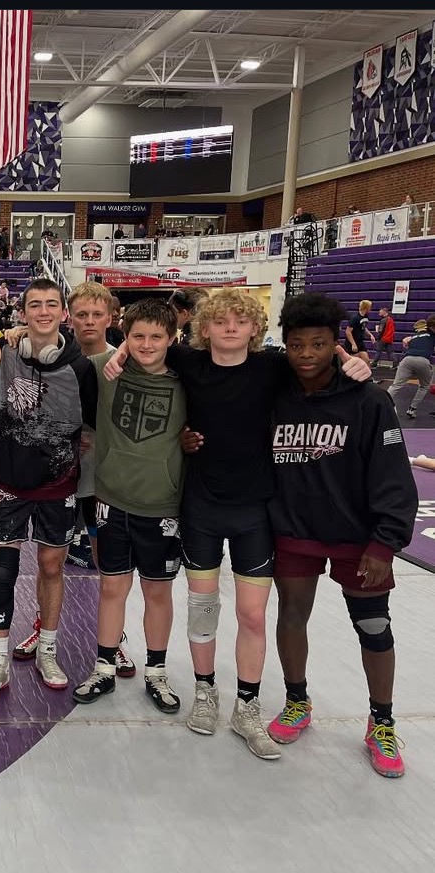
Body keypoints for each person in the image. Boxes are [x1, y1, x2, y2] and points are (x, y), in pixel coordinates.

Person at [146, 290, 372, 758]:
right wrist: (119, 352)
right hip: (202, 508)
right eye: (220, 320)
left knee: (251, 615)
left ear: (254, 329)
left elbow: (320, 362)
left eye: (240, 321)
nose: (230, 327)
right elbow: (141, 343)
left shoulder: (273, 367)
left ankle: (247, 706)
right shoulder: (189, 362)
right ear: (204, 328)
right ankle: (205, 691)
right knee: (203, 609)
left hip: (255, 511)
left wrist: (353, 362)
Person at [266, 293, 417, 778]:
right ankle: (297, 700)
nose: (306, 354)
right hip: (295, 529)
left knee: (373, 626)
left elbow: (394, 476)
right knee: (292, 615)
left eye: (318, 343)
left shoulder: (368, 399)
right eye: (296, 345)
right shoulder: (274, 392)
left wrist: (385, 542)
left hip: (358, 534)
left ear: (337, 344)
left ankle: (382, 722)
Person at [0, 280, 97, 701]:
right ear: (22, 312)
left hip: (58, 485)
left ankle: (47, 651)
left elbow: (92, 421)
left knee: (51, 568)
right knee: (3, 572)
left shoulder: (81, 367)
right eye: (35, 305)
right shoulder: (3, 354)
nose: (43, 311)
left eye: (51, 304)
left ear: (63, 313)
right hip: (9, 481)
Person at [7, 282, 135, 675]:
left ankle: (114, 640)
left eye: (97, 314)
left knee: (107, 563)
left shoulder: (125, 359)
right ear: (69, 317)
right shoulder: (54, 354)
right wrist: (15, 332)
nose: (89, 321)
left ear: (110, 317)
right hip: (60, 477)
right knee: (51, 562)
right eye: (82, 314)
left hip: (103, 479)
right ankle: (41, 627)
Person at [71, 299, 186, 715]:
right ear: (124, 333)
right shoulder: (105, 367)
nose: (146, 344)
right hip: (112, 499)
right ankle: (104, 666)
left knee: (158, 592)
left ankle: (157, 671)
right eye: (138, 336)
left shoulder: (186, 377)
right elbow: (56, 359)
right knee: (112, 587)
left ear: (172, 338)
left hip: (163, 504)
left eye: (156, 336)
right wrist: (9, 334)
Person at [386, 317, 433, 419]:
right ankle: (412, 409)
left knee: (396, 385)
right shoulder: (432, 335)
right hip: (423, 360)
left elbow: (405, 344)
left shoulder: (414, 336)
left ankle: (383, 404)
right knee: (424, 386)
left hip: (407, 360)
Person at [345, 299, 372, 363]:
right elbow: (348, 331)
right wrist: (353, 344)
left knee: (367, 360)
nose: (370, 308)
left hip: (360, 342)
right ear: (366, 308)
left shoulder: (365, 316)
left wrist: (370, 335)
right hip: (353, 342)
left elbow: (363, 327)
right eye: (370, 307)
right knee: (356, 362)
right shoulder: (355, 318)